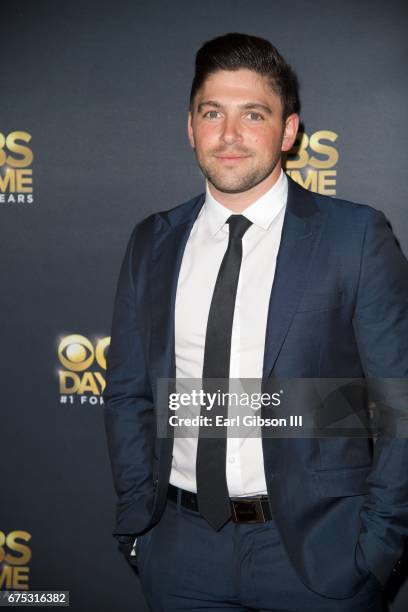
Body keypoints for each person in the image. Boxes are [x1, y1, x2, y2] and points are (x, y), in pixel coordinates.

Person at [103, 32, 408, 611]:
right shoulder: (153, 241)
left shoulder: (355, 237)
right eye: (212, 113)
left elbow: (400, 400)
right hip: (179, 549)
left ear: (289, 131)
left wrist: (378, 545)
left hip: (320, 554)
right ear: (190, 126)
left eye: (254, 114)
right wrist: (139, 527)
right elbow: (127, 395)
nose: (230, 135)